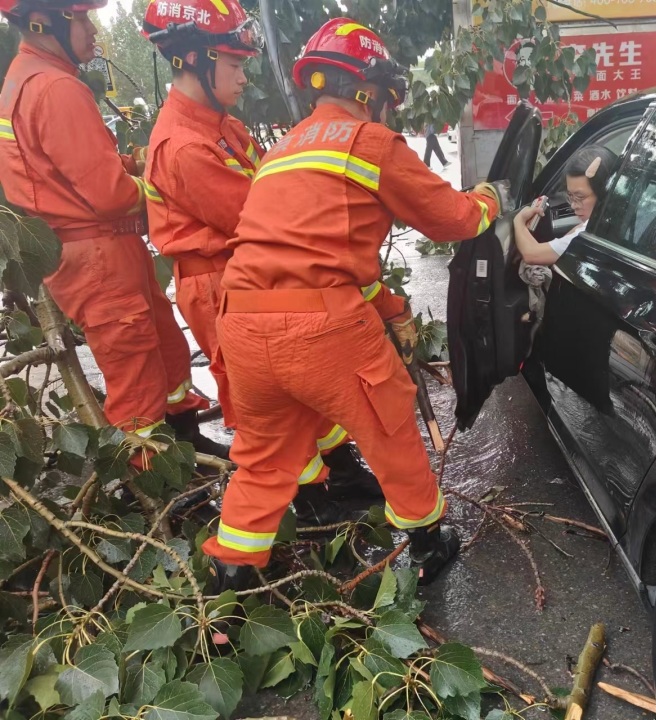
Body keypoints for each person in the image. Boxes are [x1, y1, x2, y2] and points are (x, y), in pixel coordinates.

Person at [200, 18, 505, 590]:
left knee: (263, 459)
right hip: (320, 329)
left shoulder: (282, 150)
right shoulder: (369, 142)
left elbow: (306, 250)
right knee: (390, 426)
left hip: (239, 322)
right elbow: (453, 220)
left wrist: (385, 303)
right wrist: (490, 197)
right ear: (373, 89)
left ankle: (228, 580)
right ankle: (428, 540)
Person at [141, 0, 382, 513]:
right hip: (217, 285)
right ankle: (312, 502)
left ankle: (338, 473)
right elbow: (255, 214)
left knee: (309, 378)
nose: (244, 78)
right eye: (234, 65)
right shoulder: (183, 146)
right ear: (194, 61)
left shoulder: (219, 125)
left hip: (249, 271)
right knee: (269, 402)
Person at [0, 0, 220, 453]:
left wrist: (131, 163)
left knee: (165, 348)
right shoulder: (56, 88)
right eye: (80, 18)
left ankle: (185, 450)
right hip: (95, 252)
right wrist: (162, 186)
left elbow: (69, 166)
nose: (91, 28)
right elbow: (108, 194)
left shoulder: (28, 78)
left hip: (102, 249)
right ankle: (157, 490)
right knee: (136, 376)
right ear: (45, 22)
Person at [512, 146, 617, 265]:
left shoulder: (590, 232)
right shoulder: (613, 220)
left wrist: (518, 220)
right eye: (570, 196)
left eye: (580, 197)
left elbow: (532, 254)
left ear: (605, 193)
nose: (573, 205)